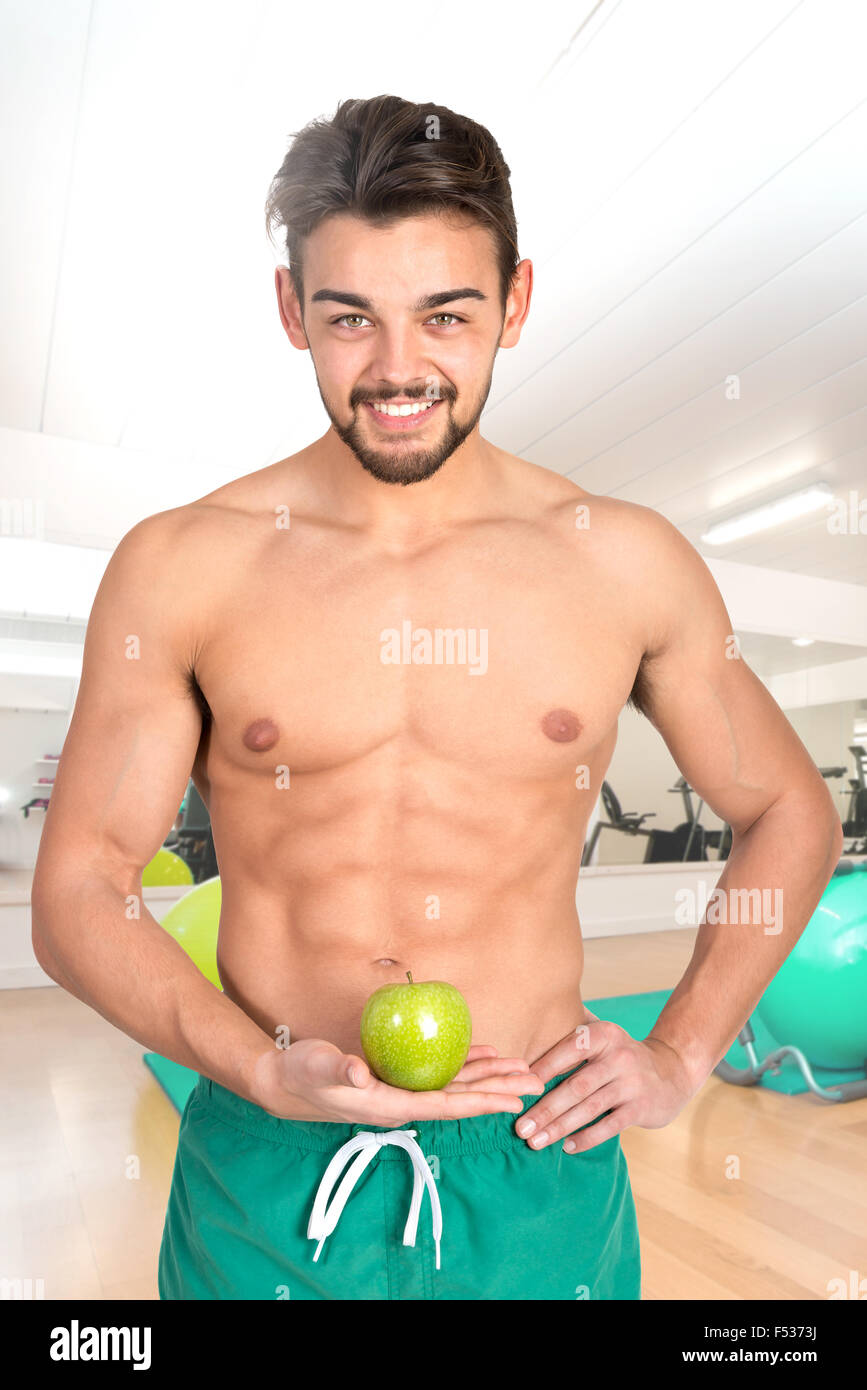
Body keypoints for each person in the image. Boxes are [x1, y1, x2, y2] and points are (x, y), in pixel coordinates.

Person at [31, 94, 843, 1301]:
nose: (399, 369)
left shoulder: (623, 562)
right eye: (350, 317)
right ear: (291, 309)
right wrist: (255, 1070)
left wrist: (682, 1050)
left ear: (515, 303)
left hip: (536, 1151)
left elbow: (791, 808)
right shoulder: (182, 565)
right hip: (271, 1144)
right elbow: (80, 887)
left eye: (446, 315)